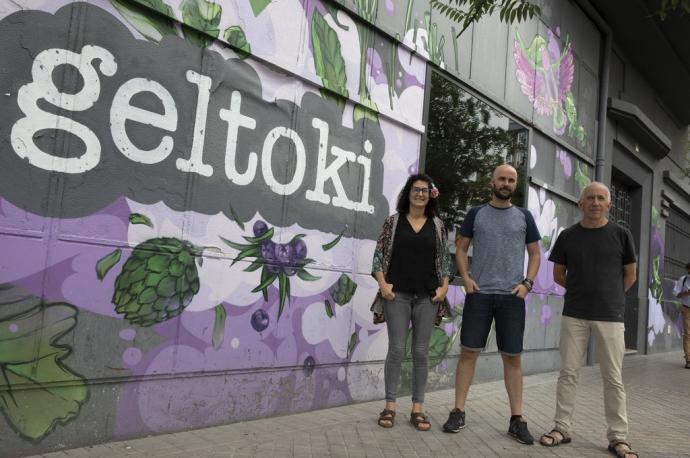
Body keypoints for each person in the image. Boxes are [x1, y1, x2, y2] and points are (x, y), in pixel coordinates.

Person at [443, 164, 541, 445]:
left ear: (515, 184)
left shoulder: (524, 216)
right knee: (468, 353)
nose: (506, 183)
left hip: (512, 297)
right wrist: (465, 278)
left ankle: (516, 420)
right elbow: (461, 247)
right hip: (480, 295)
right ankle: (458, 411)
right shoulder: (476, 213)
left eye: (511, 179)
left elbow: (535, 254)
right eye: (502, 178)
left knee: (512, 358)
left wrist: (528, 284)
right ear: (492, 181)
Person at [539, 182, 638, 458]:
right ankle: (561, 428)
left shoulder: (621, 234)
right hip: (575, 314)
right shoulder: (568, 236)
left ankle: (618, 437)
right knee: (568, 373)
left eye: (601, 198)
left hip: (610, 316)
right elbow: (559, 275)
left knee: (613, 377)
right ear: (580, 204)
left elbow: (630, 274)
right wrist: (583, 292)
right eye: (590, 198)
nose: (595, 202)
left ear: (609, 205)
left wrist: (612, 297)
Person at [371, 173, 452, 431]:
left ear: (430, 196)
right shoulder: (393, 222)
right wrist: (383, 285)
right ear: (408, 193)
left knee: (420, 352)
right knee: (396, 349)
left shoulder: (438, 225)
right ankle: (390, 406)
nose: (420, 194)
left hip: (428, 296)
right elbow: (379, 255)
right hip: (397, 295)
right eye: (416, 190)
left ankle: (418, 408)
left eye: (425, 191)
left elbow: (445, 261)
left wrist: (444, 288)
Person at [672, 262, 690, 369]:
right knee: (688, 334)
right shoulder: (683, 279)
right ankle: (688, 359)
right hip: (686, 309)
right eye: (688, 270)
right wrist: (685, 294)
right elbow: (676, 293)